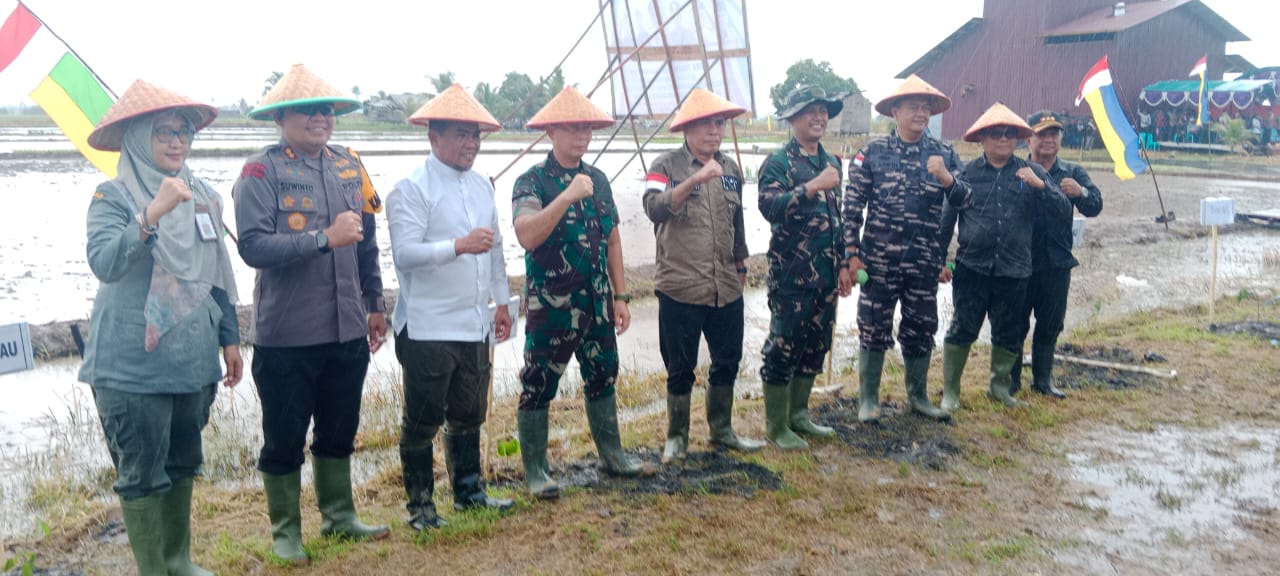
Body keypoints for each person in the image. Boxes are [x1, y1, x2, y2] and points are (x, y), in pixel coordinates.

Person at [80, 80, 240, 576]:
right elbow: (104, 262)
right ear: (136, 139)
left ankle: (178, 561)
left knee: (183, 462)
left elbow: (217, 270)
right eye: (163, 133)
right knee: (141, 472)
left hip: (192, 361)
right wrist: (151, 215)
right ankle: (154, 570)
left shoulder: (204, 194)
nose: (176, 142)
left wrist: (230, 338)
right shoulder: (113, 195)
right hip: (131, 364)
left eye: (184, 132)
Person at [233, 64, 388, 564]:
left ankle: (340, 517)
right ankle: (285, 533)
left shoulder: (349, 165)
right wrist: (322, 238)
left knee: (340, 427)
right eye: (308, 111)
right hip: (287, 335)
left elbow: (367, 244)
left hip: (346, 327)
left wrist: (374, 304)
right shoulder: (260, 172)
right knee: (284, 437)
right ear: (281, 117)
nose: (320, 119)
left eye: (327, 110)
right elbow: (253, 247)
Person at [385, 85, 515, 531]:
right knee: (423, 418)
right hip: (428, 325)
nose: (471, 145)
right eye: (461, 135)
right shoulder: (410, 189)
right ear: (433, 138)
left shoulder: (482, 187)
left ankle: (470, 491)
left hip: (474, 320)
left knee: (469, 412)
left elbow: (495, 250)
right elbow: (404, 255)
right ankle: (420, 507)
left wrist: (502, 302)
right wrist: (457, 246)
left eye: (476, 136)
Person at [512, 86, 652, 499]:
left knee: (604, 377)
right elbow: (526, 234)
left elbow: (611, 240)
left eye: (588, 128)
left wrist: (621, 297)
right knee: (538, 384)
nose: (583, 136)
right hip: (551, 307)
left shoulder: (599, 180)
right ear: (552, 132)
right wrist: (567, 196)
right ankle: (537, 471)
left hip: (597, 304)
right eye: (574, 128)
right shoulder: (531, 181)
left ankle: (613, 457)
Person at [642, 88, 764, 463]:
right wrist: (693, 182)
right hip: (680, 286)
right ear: (688, 129)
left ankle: (722, 430)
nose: (715, 131)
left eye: (720, 124)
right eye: (707, 124)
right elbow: (653, 209)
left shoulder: (730, 169)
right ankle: (677, 438)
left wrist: (741, 265)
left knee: (727, 360)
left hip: (725, 285)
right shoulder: (664, 166)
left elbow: (737, 221)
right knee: (680, 368)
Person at [843, 75, 969, 423]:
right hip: (879, 262)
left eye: (926, 106)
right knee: (872, 327)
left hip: (923, 263)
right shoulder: (872, 153)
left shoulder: (943, 154)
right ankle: (868, 400)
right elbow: (852, 208)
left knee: (921, 328)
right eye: (913, 106)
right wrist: (851, 255)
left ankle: (918, 396)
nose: (921, 112)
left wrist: (947, 178)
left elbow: (967, 200)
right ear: (894, 111)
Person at [938, 103, 1069, 410]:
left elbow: (1063, 211)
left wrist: (1041, 188)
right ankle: (950, 392)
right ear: (982, 139)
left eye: (1010, 135)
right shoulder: (966, 174)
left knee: (1009, 330)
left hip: (1015, 268)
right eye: (996, 134)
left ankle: (1000, 387)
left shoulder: (1032, 172)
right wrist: (940, 259)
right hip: (972, 267)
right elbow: (946, 222)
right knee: (963, 327)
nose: (1003, 140)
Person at [757, 85, 849, 450]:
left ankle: (799, 415)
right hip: (792, 276)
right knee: (783, 347)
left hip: (826, 276)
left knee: (815, 346)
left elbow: (837, 219)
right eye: (810, 111)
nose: (819, 117)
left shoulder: (833, 162)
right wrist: (811, 187)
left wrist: (843, 264)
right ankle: (776, 426)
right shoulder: (778, 163)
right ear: (793, 118)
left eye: (823, 110)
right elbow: (769, 208)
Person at [1011, 111, 1104, 399]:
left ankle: (1043, 380)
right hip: (1019, 260)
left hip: (1057, 261)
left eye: (1054, 134)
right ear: (1029, 138)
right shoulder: (1015, 169)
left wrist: (1081, 194)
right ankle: (1010, 381)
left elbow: (1095, 205)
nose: (1049, 140)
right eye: (1042, 134)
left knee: (1051, 323)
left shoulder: (1073, 173)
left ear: (1061, 139)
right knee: (1014, 322)